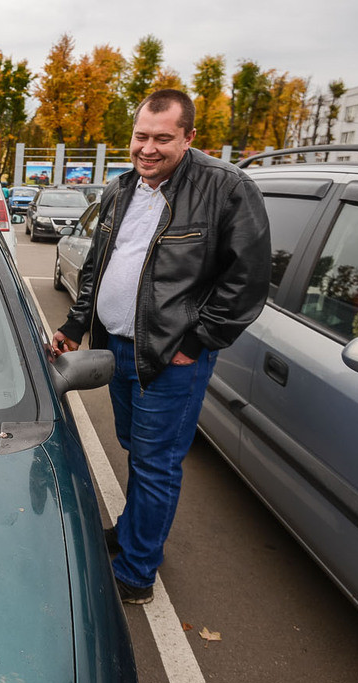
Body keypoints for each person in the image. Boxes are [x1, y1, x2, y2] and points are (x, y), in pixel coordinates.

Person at [50, 89, 271, 605]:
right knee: (135, 448)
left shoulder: (227, 189)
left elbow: (248, 281)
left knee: (155, 462)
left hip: (170, 360)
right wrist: (75, 325)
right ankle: (135, 534)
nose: (148, 149)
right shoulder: (121, 189)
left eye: (163, 139)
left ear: (189, 137)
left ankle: (136, 571)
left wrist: (195, 343)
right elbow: (97, 269)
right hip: (117, 350)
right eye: (141, 137)